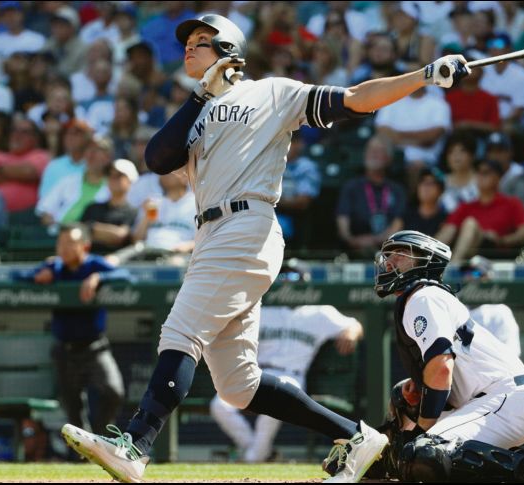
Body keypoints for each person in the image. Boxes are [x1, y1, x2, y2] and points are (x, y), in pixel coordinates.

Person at [61, 12, 472, 484]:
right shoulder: (196, 110)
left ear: (229, 51)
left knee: (180, 333)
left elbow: (356, 98)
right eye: (188, 41)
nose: (189, 47)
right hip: (212, 233)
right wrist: (200, 95)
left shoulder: (272, 92)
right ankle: (356, 437)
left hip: (245, 224)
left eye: (202, 40)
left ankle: (136, 444)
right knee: (238, 385)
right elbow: (156, 158)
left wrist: (423, 76)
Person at [336, 230, 524, 483]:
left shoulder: (423, 296)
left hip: (504, 399)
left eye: (400, 254)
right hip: (485, 402)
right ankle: (388, 458)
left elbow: (442, 367)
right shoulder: (424, 296)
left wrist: (422, 431)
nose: (389, 261)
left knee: (424, 453)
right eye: (388, 255)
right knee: (404, 397)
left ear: (424, 260)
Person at [210, 265, 364, 463]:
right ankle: (258, 452)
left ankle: (253, 457)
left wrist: (351, 332)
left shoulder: (320, 312)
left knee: (276, 403)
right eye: (284, 277)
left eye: (294, 278)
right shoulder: (264, 309)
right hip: (256, 372)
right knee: (220, 406)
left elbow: (354, 324)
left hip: (291, 376)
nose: (288, 283)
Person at [12, 223, 131, 435]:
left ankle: (98, 437)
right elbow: (16, 275)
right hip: (65, 351)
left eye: (70, 243)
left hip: (94, 347)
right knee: (73, 411)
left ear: (85, 246)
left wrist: (99, 277)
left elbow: (126, 275)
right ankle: (82, 450)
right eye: (60, 243)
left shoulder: (94, 264)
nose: (64, 248)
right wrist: (37, 276)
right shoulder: (55, 267)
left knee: (113, 391)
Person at [438, 159, 524, 263]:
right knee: (468, 224)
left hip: (498, 255)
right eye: (478, 172)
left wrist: (502, 239)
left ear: (498, 177)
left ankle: (453, 266)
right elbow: (448, 231)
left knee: (470, 223)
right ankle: (452, 264)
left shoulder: (512, 203)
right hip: (471, 255)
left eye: (486, 172)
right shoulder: (466, 206)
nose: (480, 176)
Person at [336, 135, 407, 258]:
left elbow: (398, 224)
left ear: (389, 158)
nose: (373, 154)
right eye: (370, 150)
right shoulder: (351, 187)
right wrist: (351, 240)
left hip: (390, 253)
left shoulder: (397, 190)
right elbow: (342, 223)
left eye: (379, 151)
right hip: (353, 252)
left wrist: (375, 240)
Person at [36, 135, 113, 226]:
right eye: (88, 149)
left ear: (108, 157)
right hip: (60, 231)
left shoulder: (114, 185)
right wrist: (53, 224)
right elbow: (45, 208)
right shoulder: (68, 180)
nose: (91, 154)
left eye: (97, 150)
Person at [81, 158, 139, 255]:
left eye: (119, 176)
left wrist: (93, 228)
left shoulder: (133, 212)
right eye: (110, 175)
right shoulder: (92, 207)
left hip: (119, 261)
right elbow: (82, 232)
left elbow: (121, 236)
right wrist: (110, 233)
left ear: (130, 181)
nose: (113, 179)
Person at [132, 171, 196, 255]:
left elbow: (206, 239)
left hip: (180, 256)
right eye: (165, 172)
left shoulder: (196, 203)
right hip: (147, 254)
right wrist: (146, 217)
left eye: (172, 172)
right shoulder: (153, 203)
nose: (166, 175)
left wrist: (188, 247)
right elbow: (137, 239)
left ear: (185, 177)